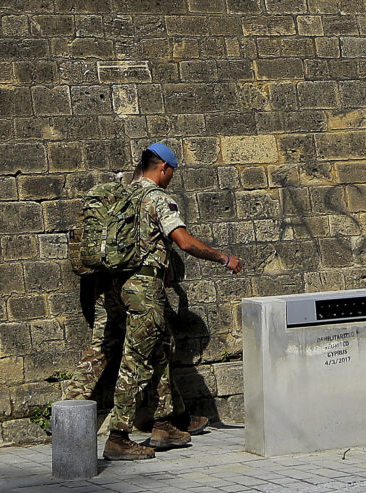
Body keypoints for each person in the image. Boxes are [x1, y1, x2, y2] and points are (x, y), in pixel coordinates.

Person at [66, 141, 241, 461]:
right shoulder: (157, 198)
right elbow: (184, 243)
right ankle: (118, 438)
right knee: (135, 360)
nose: (172, 177)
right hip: (143, 290)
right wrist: (223, 257)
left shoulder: (123, 194)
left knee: (161, 349)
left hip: (114, 287)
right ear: (164, 168)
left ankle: (164, 424)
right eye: (172, 172)